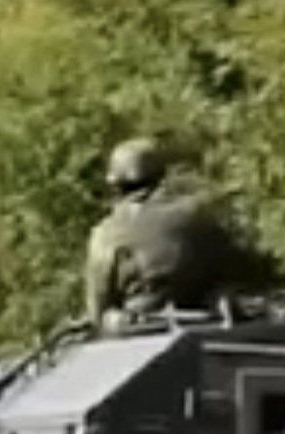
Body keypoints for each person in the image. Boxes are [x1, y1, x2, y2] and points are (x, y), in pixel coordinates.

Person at [80, 137, 273, 325]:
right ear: (161, 174)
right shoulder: (198, 214)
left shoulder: (107, 234)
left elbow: (98, 309)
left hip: (141, 329)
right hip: (206, 321)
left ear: (116, 185)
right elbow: (237, 272)